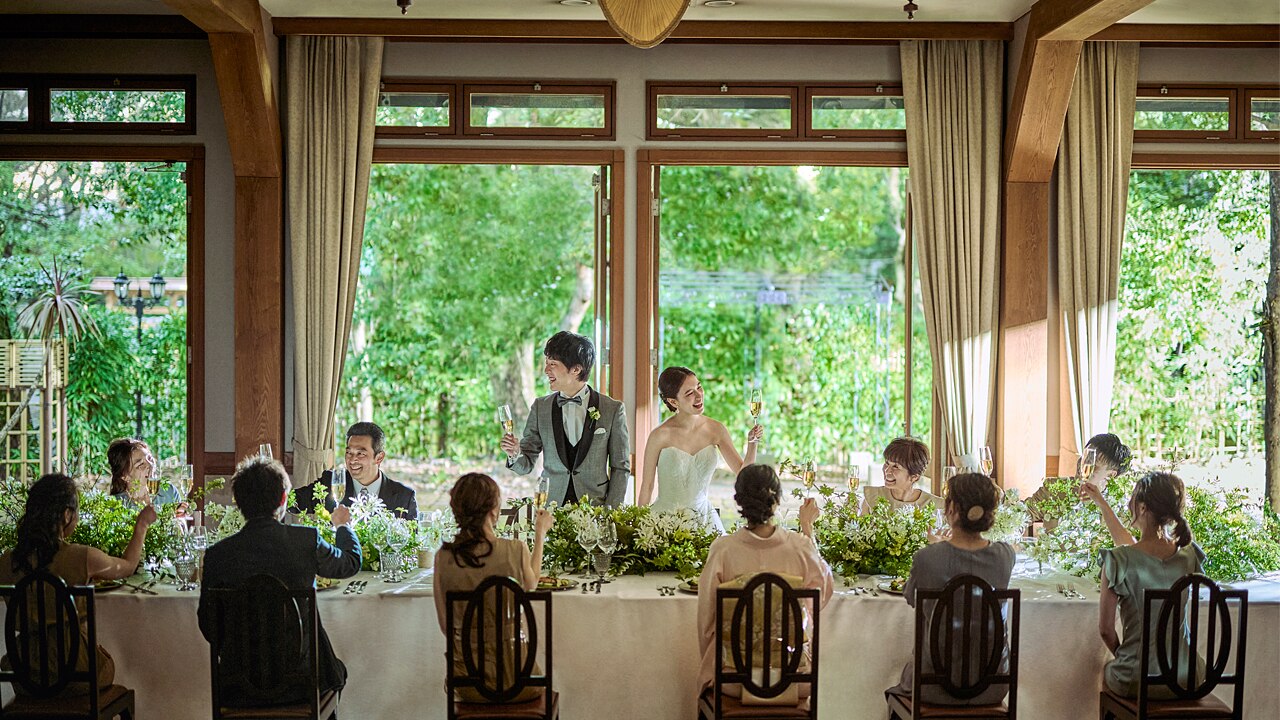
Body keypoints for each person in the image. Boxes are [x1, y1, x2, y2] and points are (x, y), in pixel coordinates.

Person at [198, 457, 361, 707]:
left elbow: (209, 626)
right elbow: (349, 563)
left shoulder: (218, 554)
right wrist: (343, 527)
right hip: (302, 684)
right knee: (336, 672)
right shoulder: (305, 541)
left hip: (238, 687)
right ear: (284, 499)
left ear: (238, 503)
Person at [0, 473, 156, 695]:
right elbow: (128, 566)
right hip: (76, 672)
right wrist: (142, 524)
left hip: (25, 674)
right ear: (66, 515)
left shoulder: (7, 561)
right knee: (107, 662)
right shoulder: (83, 557)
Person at [696, 464, 833, 701]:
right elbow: (823, 595)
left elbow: (706, 621)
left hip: (734, 680)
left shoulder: (723, 550)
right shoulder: (800, 547)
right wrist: (807, 529)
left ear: (739, 501)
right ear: (778, 499)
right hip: (793, 679)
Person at [887, 472, 1015, 706]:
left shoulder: (928, 557)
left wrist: (935, 549)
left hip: (932, 686)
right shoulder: (1005, 556)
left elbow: (911, 597)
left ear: (951, 508)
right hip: (992, 687)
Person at [433, 473, 554, 703]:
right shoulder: (515, 550)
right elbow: (532, 583)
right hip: (520, 679)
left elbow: (446, 628)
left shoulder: (443, 558)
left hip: (468, 683)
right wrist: (540, 535)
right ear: (494, 510)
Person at [1098, 472, 1204, 699]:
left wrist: (1126, 658)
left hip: (1135, 677)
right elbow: (1138, 552)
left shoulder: (1117, 560)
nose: (1128, 504)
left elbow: (1106, 630)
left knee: (1101, 671)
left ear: (1143, 508)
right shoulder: (1189, 555)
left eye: (1132, 498)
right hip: (1186, 677)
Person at [501, 331, 630, 508]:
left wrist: (611, 512)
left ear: (576, 369)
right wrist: (514, 453)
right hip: (551, 509)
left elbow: (620, 467)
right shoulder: (541, 408)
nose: (546, 370)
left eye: (552, 364)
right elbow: (526, 464)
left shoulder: (612, 409)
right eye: (547, 363)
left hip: (595, 509)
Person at [638, 366, 763, 532]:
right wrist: (639, 528)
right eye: (689, 393)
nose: (699, 395)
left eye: (699, 387)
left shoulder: (716, 429)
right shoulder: (659, 436)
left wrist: (752, 443)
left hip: (705, 521)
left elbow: (744, 475)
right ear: (673, 401)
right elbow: (647, 487)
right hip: (664, 522)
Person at [303, 422, 418, 520]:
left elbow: (412, 542)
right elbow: (291, 500)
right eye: (349, 453)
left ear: (379, 458)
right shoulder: (330, 483)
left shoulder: (404, 497)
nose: (352, 460)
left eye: (361, 454)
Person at [1075, 433, 1135, 545]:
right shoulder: (1053, 489)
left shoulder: (1122, 511)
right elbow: (1030, 513)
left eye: (1094, 465)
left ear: (1111, 475)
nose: (1081, 467)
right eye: (1084, 459)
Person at [860, 437, 943, 515]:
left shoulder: (934, 506)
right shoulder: (872, 498)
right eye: (887, 463)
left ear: (914, 477)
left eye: (896, 467)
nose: (887, 470)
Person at [107, 437, 183, 508]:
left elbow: (181, 521)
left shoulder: (169, 492)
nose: (150, 465)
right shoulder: (115, 506)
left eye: (150, 458)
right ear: (124, 475)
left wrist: (181, 518)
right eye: (141, 464)